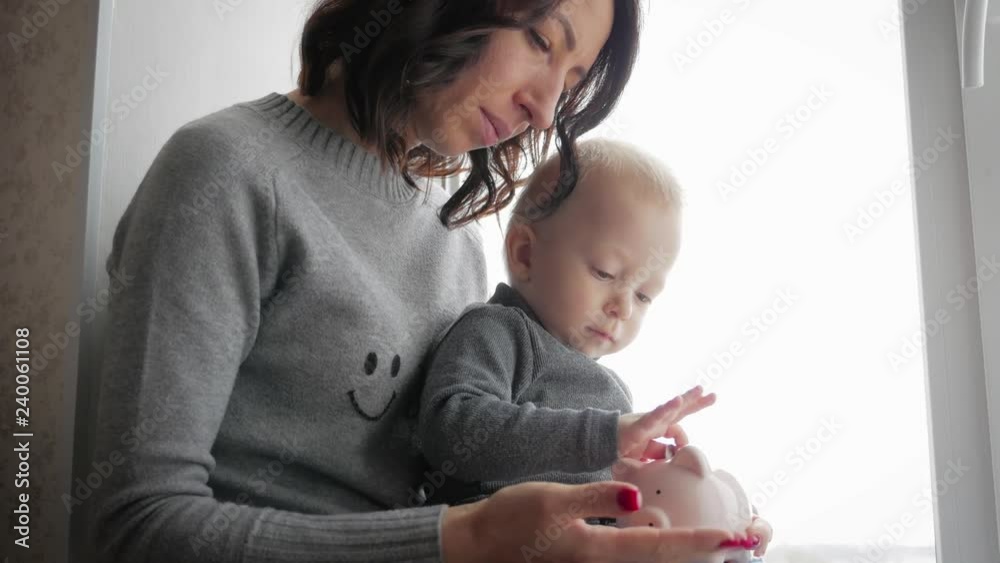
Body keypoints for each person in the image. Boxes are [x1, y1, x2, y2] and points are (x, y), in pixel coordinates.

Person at [90, 1, 739, 561]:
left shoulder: (457, 245)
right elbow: (138, 527)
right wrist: (465, 541)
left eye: (569, 83)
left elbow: (455, 484)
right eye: (541, 40)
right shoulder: (227, 173)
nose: (544, 112)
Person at [415, 139, 772, 559]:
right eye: (605, 272)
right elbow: (452, 433)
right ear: (525, 253)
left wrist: (728, 517)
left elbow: (632, 506)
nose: (622, 307)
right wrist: (606, 435)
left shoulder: (610, 391)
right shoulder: (499, 332)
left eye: (643, 296)